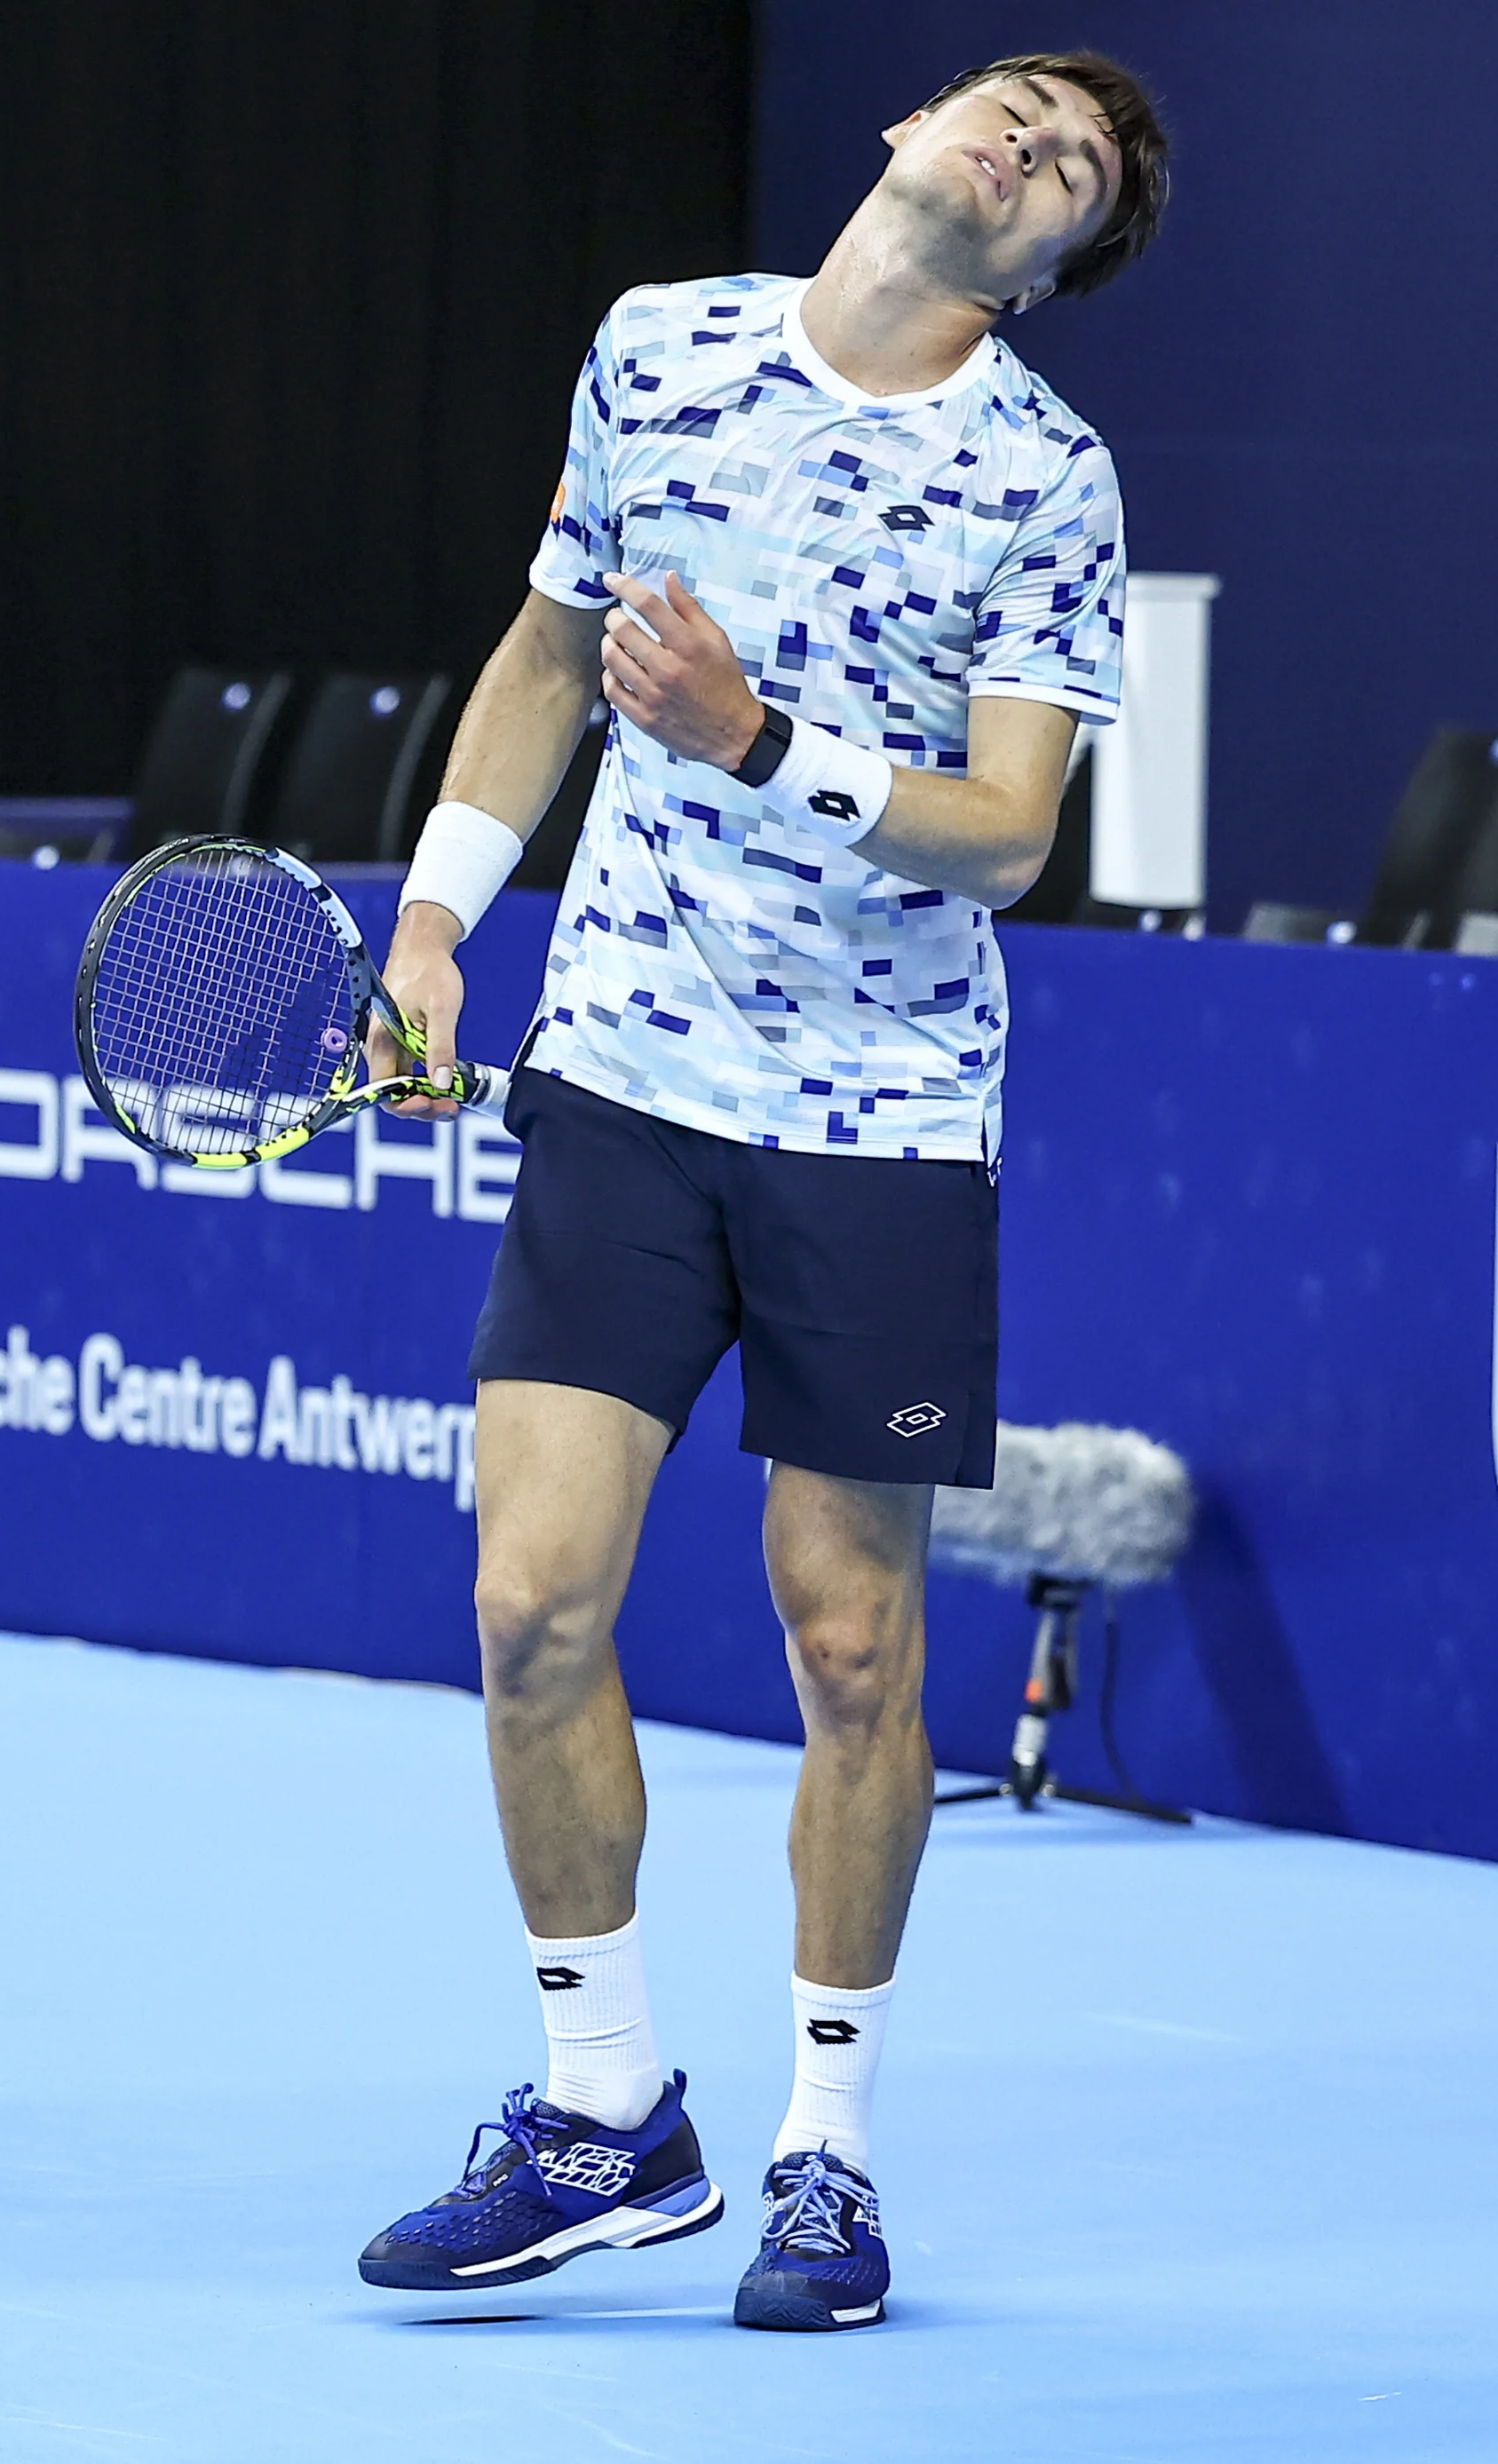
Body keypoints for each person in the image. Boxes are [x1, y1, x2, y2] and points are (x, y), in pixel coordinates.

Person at [357, 49, 1169, 2332]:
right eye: (1012, 106)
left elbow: (1009, 834)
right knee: (527, 1607)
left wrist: (752, 742)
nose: (1021, 145)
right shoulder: (658, 341)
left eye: (1069, 168)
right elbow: (540, 653)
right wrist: (435, 921)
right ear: (919, 121)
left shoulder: (1039, 474)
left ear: (1044, 270)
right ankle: (606, 2108)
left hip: (884, 1112)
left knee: (850, 1640)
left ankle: (826, 2148)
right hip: (619, 1061)